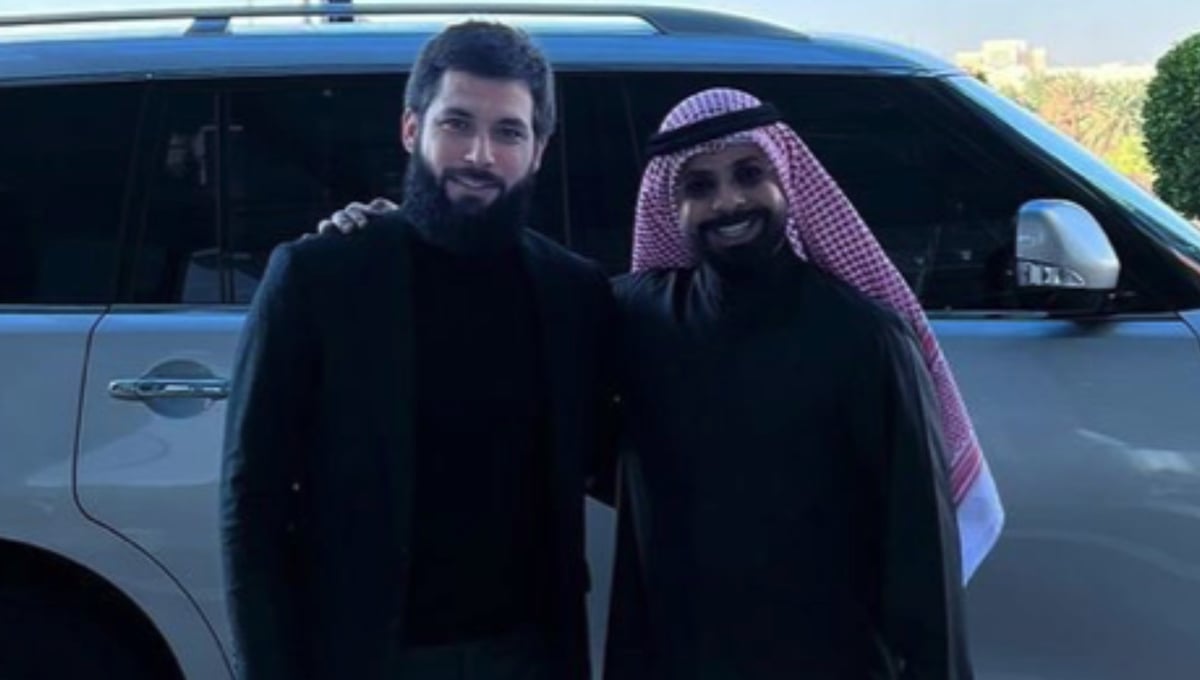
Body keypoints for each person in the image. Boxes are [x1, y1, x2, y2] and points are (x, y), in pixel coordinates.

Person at [320, 87, 1004, 679]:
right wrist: (407, 236)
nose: (728, 201)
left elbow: (920, 561)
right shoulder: (636, 317)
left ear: (788, 182)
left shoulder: (865, 337)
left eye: (748, 174)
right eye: (698, 187)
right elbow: (504, 300)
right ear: (669, 207)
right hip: (673, 656)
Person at [221, 21, 613, 680]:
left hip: (528, 656)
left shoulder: (574, 292)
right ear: (412, 128)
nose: (479, 155)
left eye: (508, 132)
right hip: (365, 655)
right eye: (457, 123)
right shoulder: (322, 277)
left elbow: (619, 453)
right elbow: (250, 503)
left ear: (539, 150)